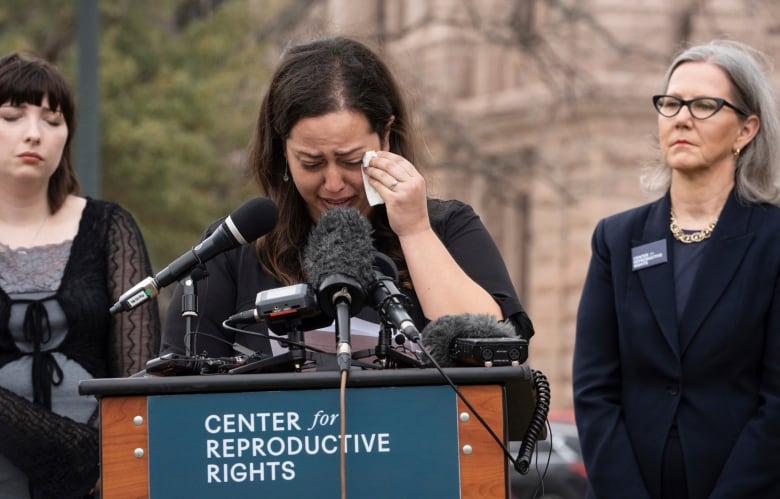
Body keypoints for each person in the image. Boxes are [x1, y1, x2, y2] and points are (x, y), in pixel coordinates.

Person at [160, 36, 533, 366]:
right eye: (312, 163)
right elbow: (179, 386)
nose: (334, 184)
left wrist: (415, 231)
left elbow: (493, 348)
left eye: (352, 161)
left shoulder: (448, 227)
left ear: (386, 136)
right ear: (281, 151)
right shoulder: (234, 250)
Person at [573, 39, 780, 499]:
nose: (682, 117)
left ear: (746, 130)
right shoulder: (617, 238)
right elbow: (594, 389)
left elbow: (777, 401)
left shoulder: (772, 240)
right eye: (671, 103)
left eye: (705, 105)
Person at [0, 52, 160, 498]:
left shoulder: (111, 227)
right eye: (12, 116)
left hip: (102, 479)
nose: (34, 133)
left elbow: (139, 374)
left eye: (53, 120)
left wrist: (101, 458)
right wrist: (73, 450)